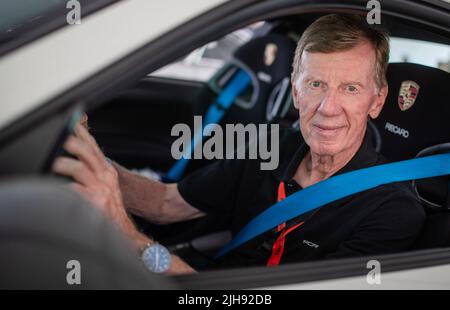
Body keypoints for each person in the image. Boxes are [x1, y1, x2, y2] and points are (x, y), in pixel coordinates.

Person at [52, 14, 425, 275]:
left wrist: (132, 240)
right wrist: (88, 157)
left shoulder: (392, 210)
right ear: (295, 91)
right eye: (315, 85)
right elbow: (166, 204)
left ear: (376, 101)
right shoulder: (271, 144)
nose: (328, 108)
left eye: (350, 89)